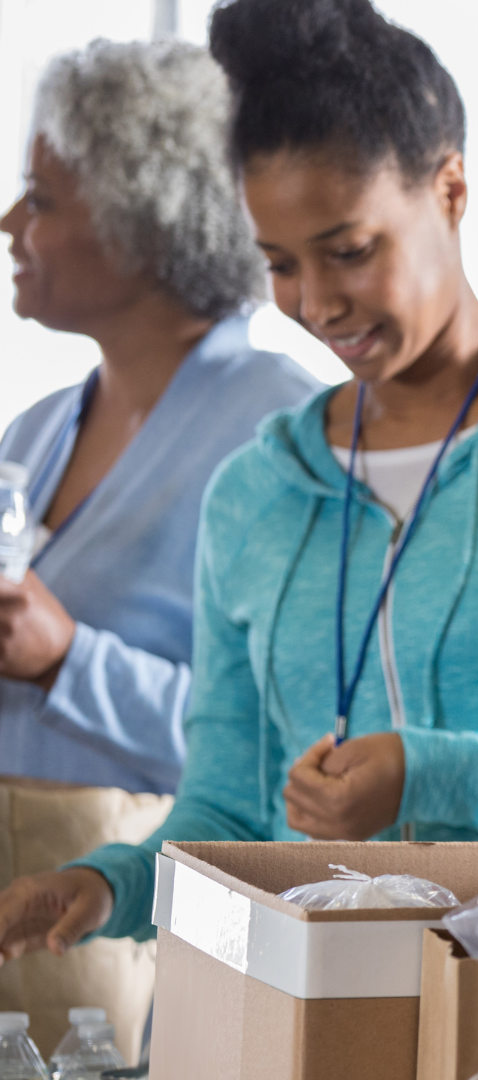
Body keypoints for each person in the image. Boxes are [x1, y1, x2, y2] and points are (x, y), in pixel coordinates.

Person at [0, 0, 478, 963]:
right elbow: (227, 814)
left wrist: (432, 773)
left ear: (450, 189)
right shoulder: (255, 493)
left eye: (350, 251)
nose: (317, 304)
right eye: (280, 264)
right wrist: (105, 883)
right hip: (299, 1020)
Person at [0, 37, 318, 1054]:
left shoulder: (282, 435)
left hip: (116, 919)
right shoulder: (38, 428)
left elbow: (290, 752)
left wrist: (70, 662)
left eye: (41, 199)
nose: (11, 224)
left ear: (143, 224)